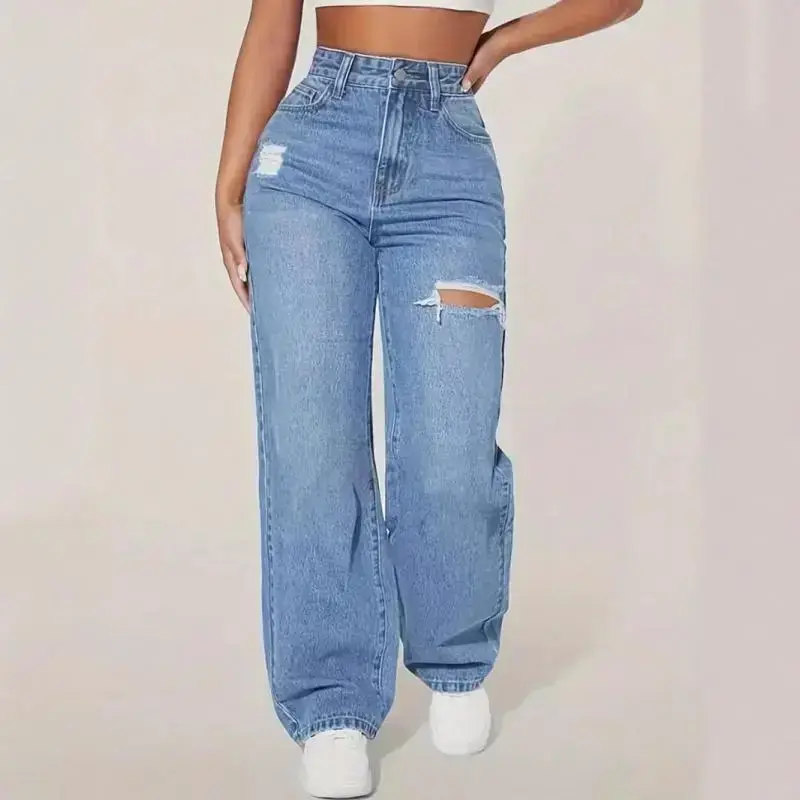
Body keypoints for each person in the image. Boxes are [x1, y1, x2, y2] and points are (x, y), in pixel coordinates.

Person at [216, 0, 642, 795]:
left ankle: (452, 651)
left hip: (448, 164)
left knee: (452, 436)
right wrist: (230, 181)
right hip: (311, 158)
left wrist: (505, 41)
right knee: (312, 442)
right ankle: (332, 701)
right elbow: (273, 22)